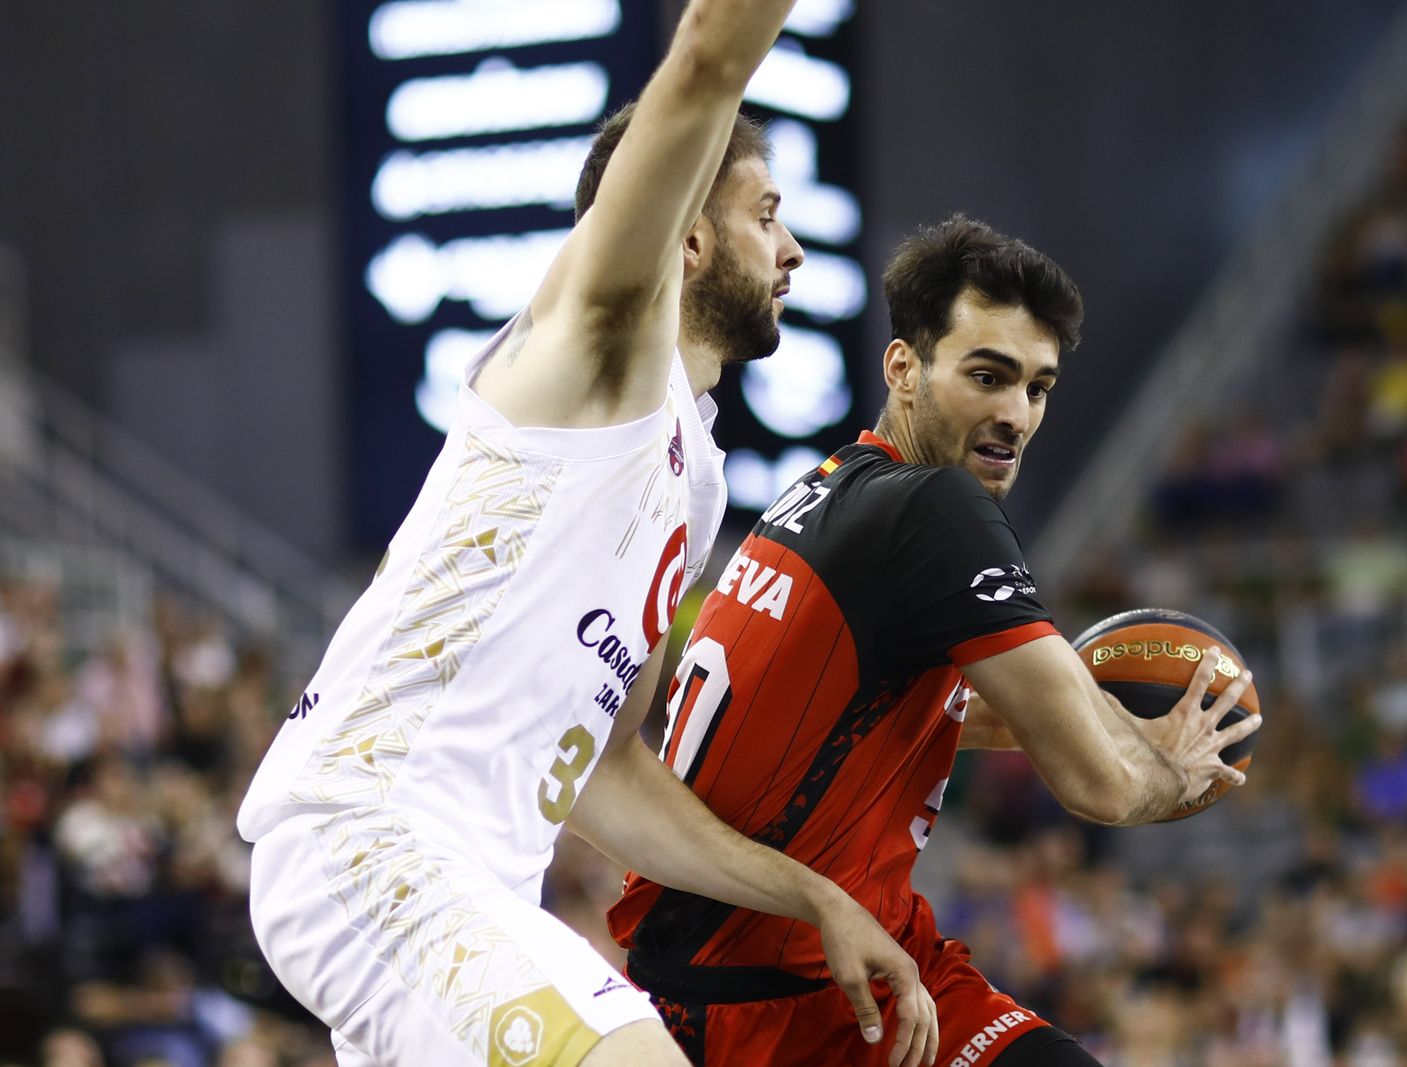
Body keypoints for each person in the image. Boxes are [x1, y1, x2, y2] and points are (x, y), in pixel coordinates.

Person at [237, 3, 939, 1065]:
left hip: (474, 881)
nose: (793, 248)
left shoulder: (692, 481)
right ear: (687, 238)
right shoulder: (600, 358)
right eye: (766, 213)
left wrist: (816, 898)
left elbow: (607, 773)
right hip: (370, 837)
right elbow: (706, 58)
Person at [608, 216, 1262, 1066]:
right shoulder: (937, 510)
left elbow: (900, 702)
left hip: (839, 959)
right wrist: (1176, 773)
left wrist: (1095, 712)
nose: (1014, 414)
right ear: (904, 368)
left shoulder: (829, 489)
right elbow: (1098, 787)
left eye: (1037, 387)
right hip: (776, 998)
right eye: (987, 376)